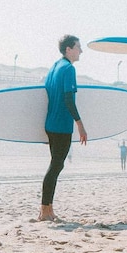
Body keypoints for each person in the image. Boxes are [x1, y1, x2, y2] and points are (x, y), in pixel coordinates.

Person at [39, 35, 87, 222]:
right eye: (78, 47)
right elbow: (69, 99)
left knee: (55, 165)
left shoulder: (54, 68)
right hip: (61, 126)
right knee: (55, 166)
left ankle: (48, 209)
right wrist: (80, 125)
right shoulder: (68, 69)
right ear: (69, 49)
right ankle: (45, 210)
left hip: (51, 124)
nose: (80, 51)